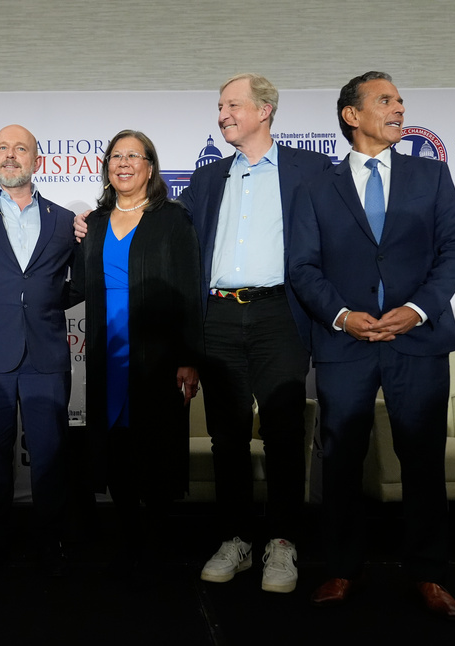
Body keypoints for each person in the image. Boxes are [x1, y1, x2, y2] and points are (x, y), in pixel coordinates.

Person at [288, 71, 455, 620]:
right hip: (347, 342)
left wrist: (415, 311)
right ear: (352, 115)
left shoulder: (431, 176)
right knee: (340, 461)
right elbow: (303, 266)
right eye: (385, 100)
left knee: (421, 459)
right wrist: (342, 316)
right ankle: (342, 569)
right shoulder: (316, 187)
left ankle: (429, 576)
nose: (398, 107)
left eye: (400, 99)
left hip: (418, 340)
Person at [179, 74, 331, 591]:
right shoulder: (207, 180)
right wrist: (99, 217)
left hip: (279, 314)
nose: (222, 113)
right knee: (226, 436)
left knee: (285, 433)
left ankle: (282, 543)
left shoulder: (308, 169)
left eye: (232, 105)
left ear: (265, 110)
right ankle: (236, 538)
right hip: (217, 317)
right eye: (219, 105)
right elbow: (173, 241)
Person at [74, 130, 203, 567]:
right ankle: (129, 537)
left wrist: (189, 357)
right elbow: (73, 286)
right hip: (104, 354)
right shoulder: (92, 223)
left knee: (155, 447)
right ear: (106, 166)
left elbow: (189, 290)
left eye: (134, 155)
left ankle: (158, 542)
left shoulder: (173, 219)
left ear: (151, 166)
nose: (123, 163)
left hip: (157, 355)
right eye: (116, 155)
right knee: (114, 447)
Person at [0, 124, 79, 577]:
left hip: (46, 351)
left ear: (37, 161)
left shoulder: (66, 220)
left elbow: (79, 282)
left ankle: (52, 539)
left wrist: (45, 303)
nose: (11, 156)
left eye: (21, 149)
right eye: (2, 149)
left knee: (50, 452)